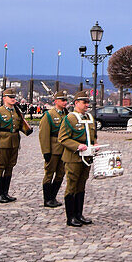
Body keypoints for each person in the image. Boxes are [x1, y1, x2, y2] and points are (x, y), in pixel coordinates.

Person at [57, 90, 96, 226]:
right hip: (73, 158)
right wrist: (77, 145)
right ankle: (70, 217)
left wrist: (94, 144)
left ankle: (79, 214)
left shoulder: (89, 118)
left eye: (87, 102)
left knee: (81, 186)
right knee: (72, 186)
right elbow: (63, 138)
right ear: (76, 103)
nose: (87, 105)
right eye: (84, 102)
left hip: (87, 158)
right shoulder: (70, 119)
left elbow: (92, 135)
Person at [0, 88, 32, 203]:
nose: (13, 99)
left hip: (14, 143)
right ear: (4, 98)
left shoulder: (16, 111)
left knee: (10, 167)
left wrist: (27, 130)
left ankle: (5, 193)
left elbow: (18, 125)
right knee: (0, 167)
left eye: (14, 97)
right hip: (2, 143)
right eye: (11, 97)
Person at [38, 90, 69, 208]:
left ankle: (53, 197)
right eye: (62, 100)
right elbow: (44, 135)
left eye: (66, 100)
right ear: (56, 101)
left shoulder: (66, 114)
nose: (65, 102)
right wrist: (46, 151)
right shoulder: (49, 115)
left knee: (60, 174)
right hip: (53, 150)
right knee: (49, 174)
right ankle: (47, 199)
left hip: (64, 150)